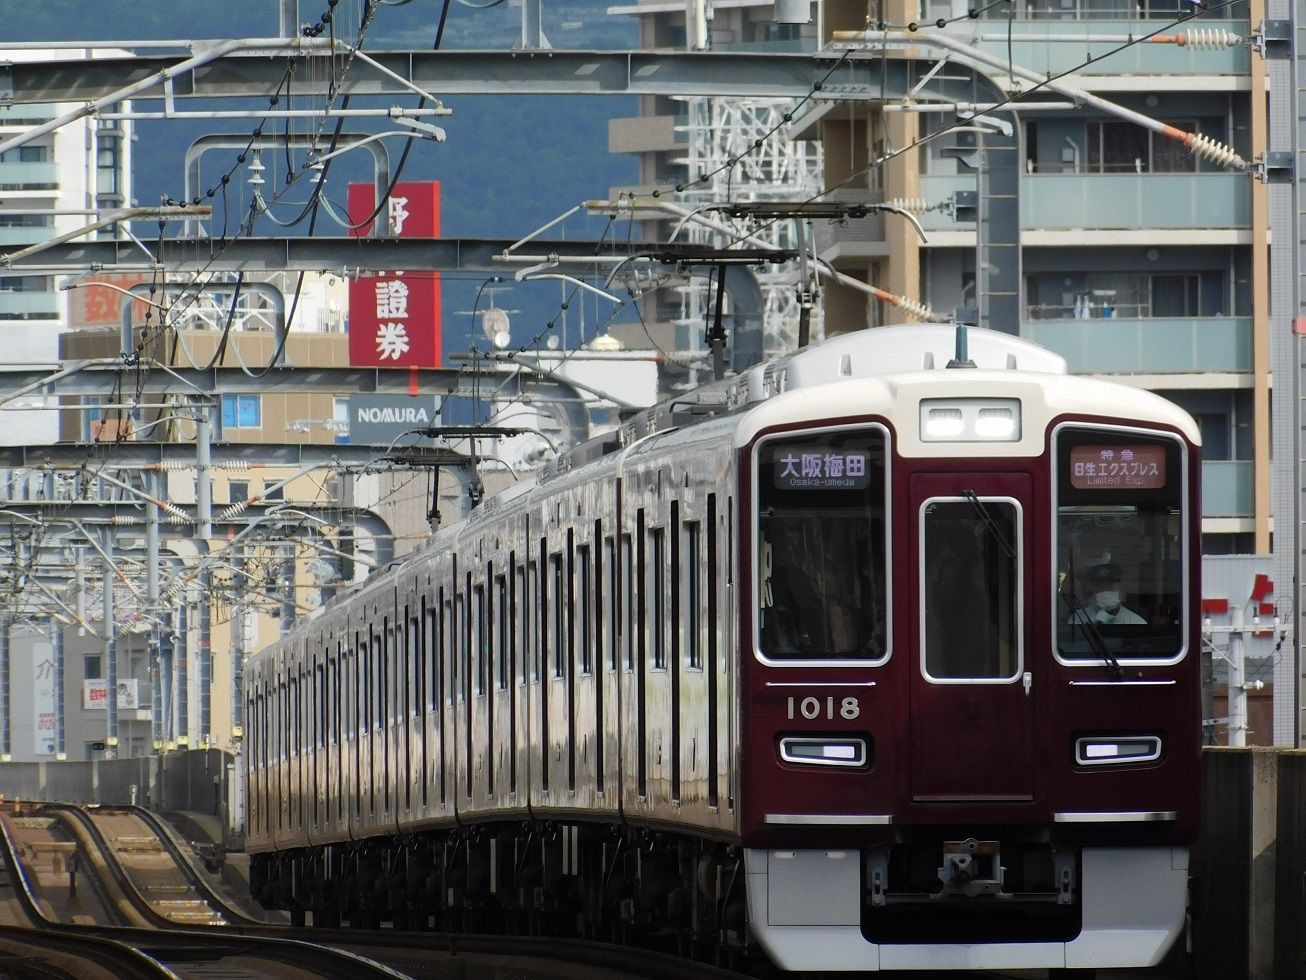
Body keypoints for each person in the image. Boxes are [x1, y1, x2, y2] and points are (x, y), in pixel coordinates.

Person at [1068, 563, 1146, 625]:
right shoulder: (1079, 618)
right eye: (1100, 588)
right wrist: (1092, 626)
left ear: (1120, 589)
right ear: (1093, 591)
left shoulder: (1136, 621)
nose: (1105, 592)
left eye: (1110, 587)